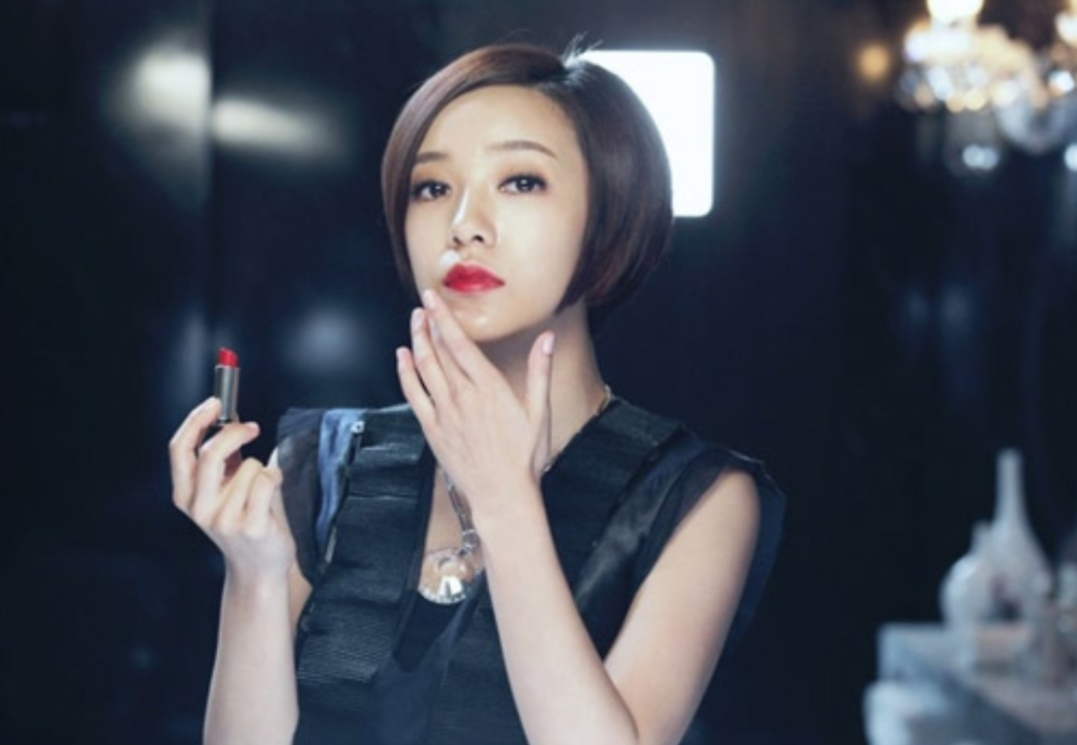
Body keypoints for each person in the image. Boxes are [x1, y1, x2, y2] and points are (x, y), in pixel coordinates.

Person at [168, 41, 784, 745]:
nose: (463, 223)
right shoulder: (322, 463)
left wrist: (506, 503)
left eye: (520, 181)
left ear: (609, 213)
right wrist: (252, 576)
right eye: (432, 188)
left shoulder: (696, 497)